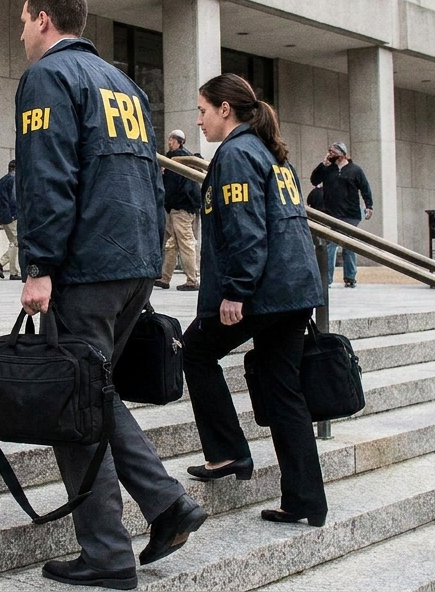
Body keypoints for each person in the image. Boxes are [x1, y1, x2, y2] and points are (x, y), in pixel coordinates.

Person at [15, 0, 205, 590]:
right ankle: (166, 503)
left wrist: (37, 265)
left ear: (44, 20)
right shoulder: (123, 84)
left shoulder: (49, 77)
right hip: (133, 267)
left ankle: (107, 553)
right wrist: (151, 260)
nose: (21, 34)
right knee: (94, 392)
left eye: (23, 22)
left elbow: (46, 176)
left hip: (87, 268)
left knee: (72, 404)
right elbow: (151, 179)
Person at [181, 73, 328, 528]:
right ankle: (305, 500)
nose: (199, 121)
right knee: (284, 394)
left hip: (264, 292)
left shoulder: (237, 154)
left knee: (194, 350)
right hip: (294, 291)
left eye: (203, 111)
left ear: (226, 109)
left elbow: (247, 229)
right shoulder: (269, 152)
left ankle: (227, 452)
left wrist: (236, 291)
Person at [310, 142, 374, 288]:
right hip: (331, 213)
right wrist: (323, 164)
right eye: (329, 152)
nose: (330, 154)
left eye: (333, 152)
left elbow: (365, 188)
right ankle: (327, 279)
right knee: (330, 245)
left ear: (343, 154)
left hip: (350, 214)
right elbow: (314, 180)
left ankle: (350, 277)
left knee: (348, 245)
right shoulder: (327, 169)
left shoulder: (355, 170)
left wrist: (369, 206)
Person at [156, 130, 201, 292]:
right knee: (172, 243)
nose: (169, 142)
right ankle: (165, 277)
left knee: (184, 242)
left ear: (179, 142)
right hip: (178, 207)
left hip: (180, 207)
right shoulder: (180, 158)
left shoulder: (179, 159)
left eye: (172, 140)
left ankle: (192, 280)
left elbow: (175, 186)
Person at [0, 160, 20, 280]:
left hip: (4, 216)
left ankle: (1, 262)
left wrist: (0, 215)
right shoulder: (14, 180)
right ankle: (15, 272)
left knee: (15, 242)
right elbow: (14, 199)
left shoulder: (2, 180)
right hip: (12, 215)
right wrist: (15, 214)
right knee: (17, 242)